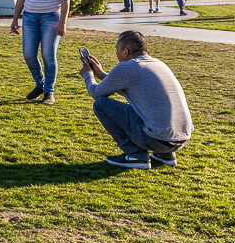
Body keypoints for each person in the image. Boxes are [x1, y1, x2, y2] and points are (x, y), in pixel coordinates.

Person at [80, 30, 193, 169]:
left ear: (126, 52)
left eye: (117, 50)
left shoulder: (127, 67)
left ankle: (135, 155)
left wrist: (88, 74)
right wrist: (102, 74)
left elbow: (95, 93)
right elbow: (133, 89)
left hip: (157, 138)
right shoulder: (158, 64)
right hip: (179, 139)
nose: (116, 54)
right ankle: (164, 155)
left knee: (101, 104)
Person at [11, 0, 69, 105]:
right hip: (29, 17)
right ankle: (40, 84)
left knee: (48, 55)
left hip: (51, 17)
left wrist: (62, 23)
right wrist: (15, 19)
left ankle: (49, 92)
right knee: (28, 54)